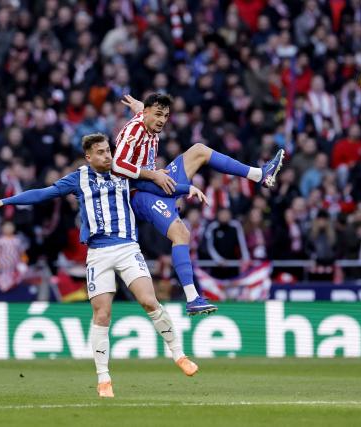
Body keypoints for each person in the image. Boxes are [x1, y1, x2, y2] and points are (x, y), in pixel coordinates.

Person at [0, 133, 207, 398]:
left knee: (149, 301)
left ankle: (179, 355)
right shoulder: (78, 178)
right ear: (89, 157)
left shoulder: (124, 171)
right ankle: (104, 379)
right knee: (102, 315)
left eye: (108, 150)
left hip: (127, 247)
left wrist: (186, 189)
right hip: (98, 253)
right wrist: (4, 201)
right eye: (100, 152)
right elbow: (44, 194)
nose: (107, 155)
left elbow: (153, 184)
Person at [113, 93, 284, 315]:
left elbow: (141, 110)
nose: (162, 120)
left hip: (153, 184)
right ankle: (192, 298)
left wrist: (138, 105)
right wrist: (153, 175)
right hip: (138, 192)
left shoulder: (146, 120)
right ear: (146, 113)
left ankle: (260, 174)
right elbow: (117, 166)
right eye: (158, 115)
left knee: (198, 155)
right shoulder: (135, 129)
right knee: (182, 228)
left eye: (165, 116)